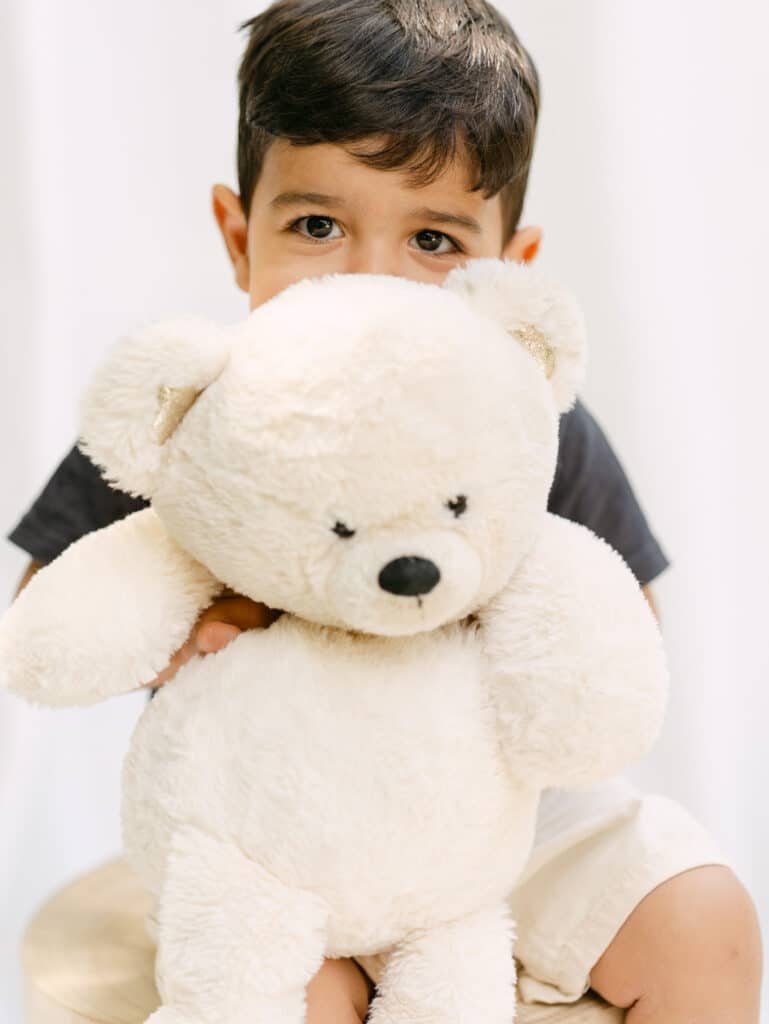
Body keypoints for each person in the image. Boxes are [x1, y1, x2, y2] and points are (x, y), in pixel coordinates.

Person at [8, 2, 762, 1021]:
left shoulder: (524, 419)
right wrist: (203, 627)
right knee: (285, 997)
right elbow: (49, 607)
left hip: (497, 813)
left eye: (432, 239)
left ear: (508, 269)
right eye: (316, 227)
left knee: (703, 921)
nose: (371, 279)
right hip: (269, 828)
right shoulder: (202, 412)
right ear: (238, 237)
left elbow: (624, 628)